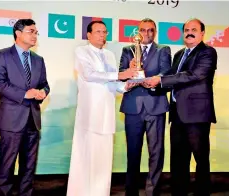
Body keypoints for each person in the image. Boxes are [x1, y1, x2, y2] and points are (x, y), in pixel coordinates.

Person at [147, 18, 217, 196]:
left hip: (197, 116)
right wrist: (150, 82)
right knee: (178, 160)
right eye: (186, 29)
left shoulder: (208, 52)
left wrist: (160, 80)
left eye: (194, 29)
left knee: (200, 160)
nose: (189, 32)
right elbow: (169, 77)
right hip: (177, 115)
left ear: (202, 33)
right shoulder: (179, 54)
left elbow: (193, 75)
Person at [66, 21, 137, 196]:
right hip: (90, 114)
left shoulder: (110, 54)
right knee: (86, 157)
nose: (102, 35)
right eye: (98, 32)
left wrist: (126, 85)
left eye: (105, 32)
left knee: (104, 160)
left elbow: (112, 83)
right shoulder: (81, 51)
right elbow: (89, 75)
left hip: (107, 113)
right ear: (88, 35)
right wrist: (121, 75)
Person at [0, 19, 50, 196]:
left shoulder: (39, 60)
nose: (35, 35)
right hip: (10, 121)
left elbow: (45, 84)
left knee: (29, 167)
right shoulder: (2, 55)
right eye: (31, 31)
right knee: (7, 166)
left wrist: (42, 92)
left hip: (33, 120)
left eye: (36, 32)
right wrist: (25, 94)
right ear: (18, 33)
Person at [119, 18, 172, 196]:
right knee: (132, 153)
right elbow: (121, 75)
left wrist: (154, 82)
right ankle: (130, 192)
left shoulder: (163, 50)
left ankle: (152, 192)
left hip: (155, 106)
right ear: (138, 32)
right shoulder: (127, 50)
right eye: (143, 30)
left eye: (150, 30)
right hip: (132, 107)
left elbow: (166, 73)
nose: (147, 33)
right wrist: (129, 69)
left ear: (155, 32)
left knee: (156, 154)